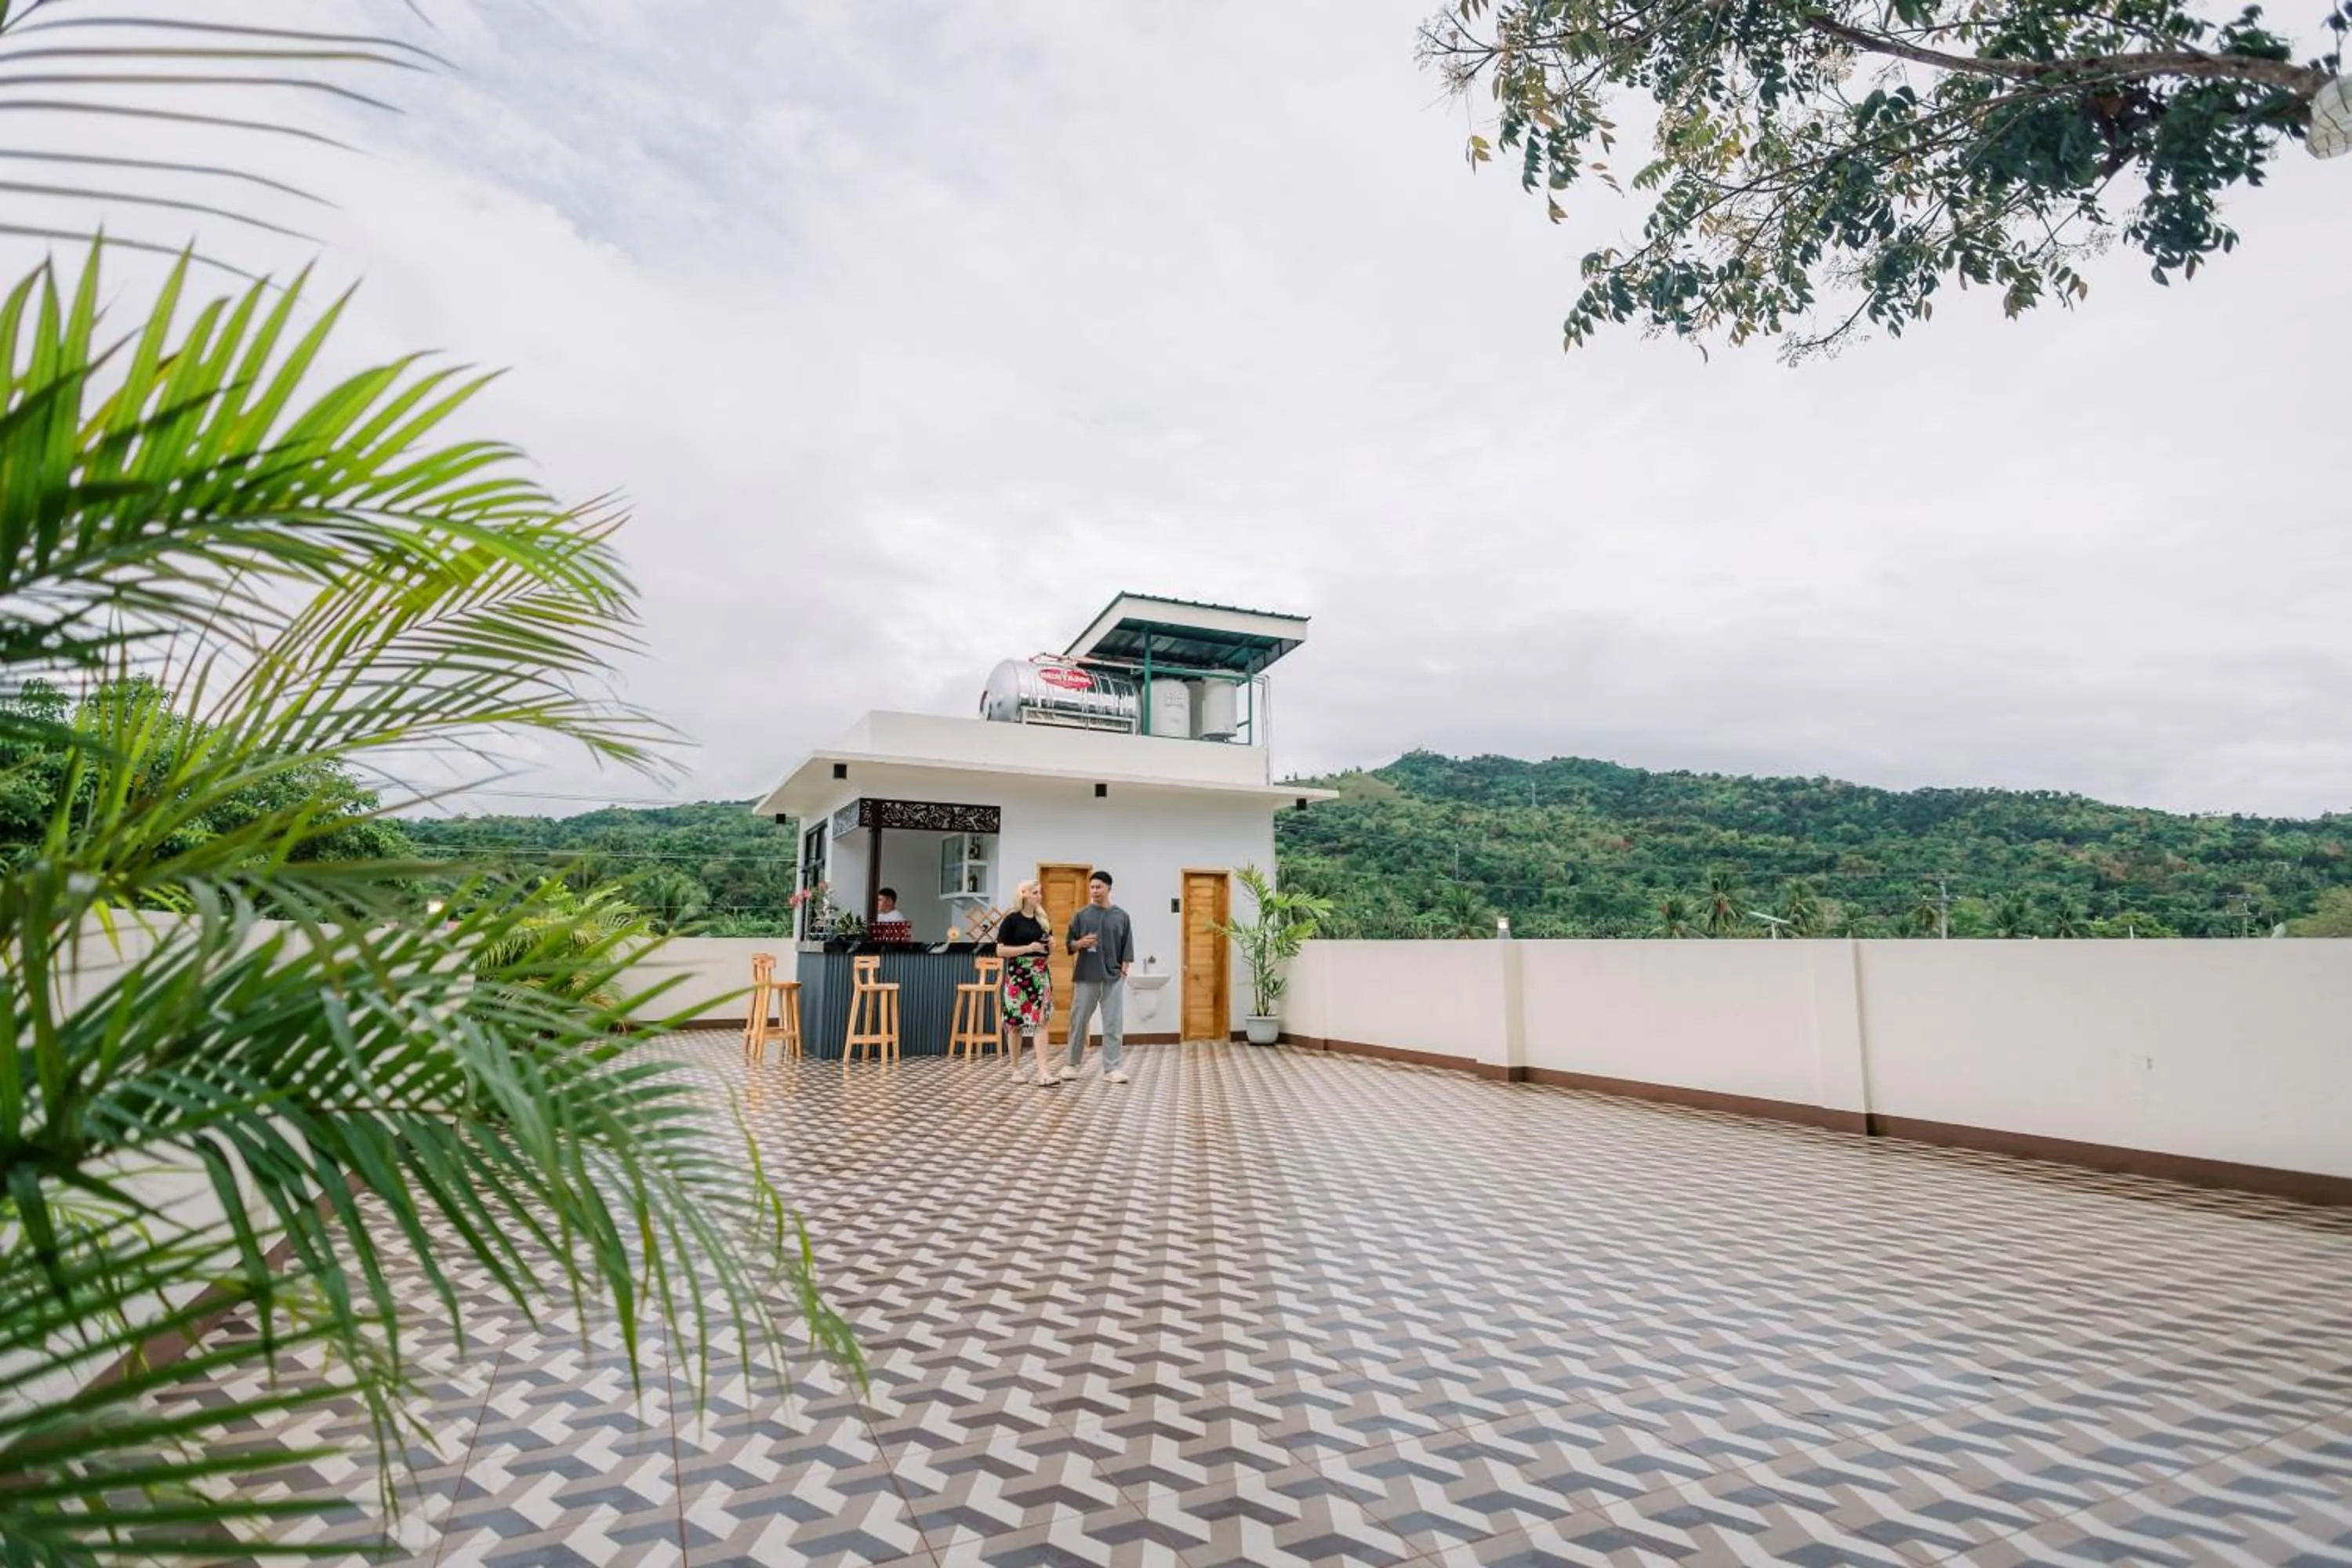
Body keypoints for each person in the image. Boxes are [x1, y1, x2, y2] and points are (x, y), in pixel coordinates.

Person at [1063, 869, 1134, 1084]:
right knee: (1079, 1020)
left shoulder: (1122, 916)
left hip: (1113, 977)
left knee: (1113, 1022)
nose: (1094, 891)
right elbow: (1069, 944)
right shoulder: (1081, 915)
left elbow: (1127, 947)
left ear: (1109, 889)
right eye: (1092, 887)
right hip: (1086, 975)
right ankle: (1071, 1064)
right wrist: (1080, 943)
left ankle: (1112, 1068)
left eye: (1099, 887)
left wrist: (1123, 971)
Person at [995, 881, 1058, 1087]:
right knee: (1015, 1025)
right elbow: (1000, 951)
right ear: (1023, 895)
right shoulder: (1012, 920)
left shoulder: (1043, 920)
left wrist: (1052, 946)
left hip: (1040, 975)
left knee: (1041, 1022)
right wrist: (1027, 948)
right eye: (1035, 892)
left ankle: (1044, 1072)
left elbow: (1049, 950)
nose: (1039, 896)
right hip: (1018, 975)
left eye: (1040, 892)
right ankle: (1016, 1069)